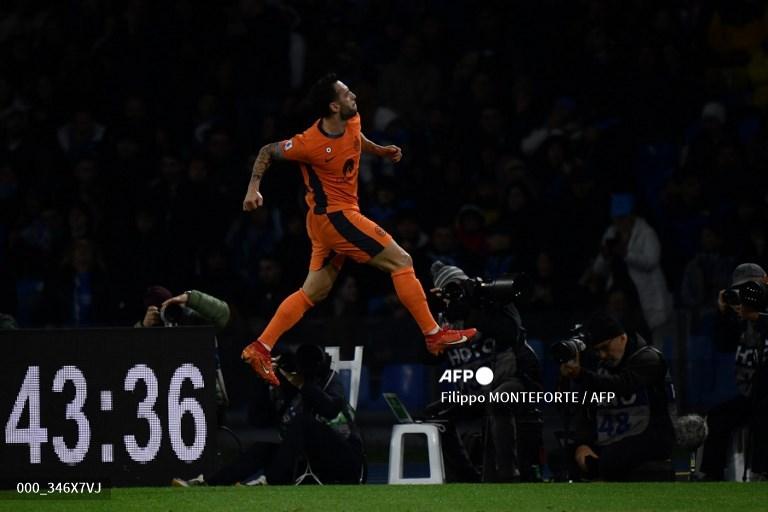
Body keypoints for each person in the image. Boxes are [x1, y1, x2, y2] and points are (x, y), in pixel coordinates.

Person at [240, 73, 476, 385]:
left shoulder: (351, 120)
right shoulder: (309, 143)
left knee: (313, 291)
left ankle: (260, 347)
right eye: (347, 94)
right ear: (333, 106)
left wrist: (381, 151)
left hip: (329, 220)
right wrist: (253, 189)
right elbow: (268, 151)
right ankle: (433, 335)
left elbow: (357, 139)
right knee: (401, 261)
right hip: (335, 217)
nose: (354, 96)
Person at [172, 343, 364, 486]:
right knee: (262, 448)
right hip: (313, 465)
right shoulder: (286, 396)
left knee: (303, 423)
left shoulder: (330, 380)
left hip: (348, 464)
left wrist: (302, 385)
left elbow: (330, 409)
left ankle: (272, 481)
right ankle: (210, 483)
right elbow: (256, 420)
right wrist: (263, 381)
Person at [427, 261, 543, 482]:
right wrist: (430, 321)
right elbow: (426, 359)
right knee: (435, 414)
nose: (456, 293)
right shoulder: (444, 318)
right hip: (471, 394)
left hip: (508, 381)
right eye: (449, 290)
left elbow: (510, 334)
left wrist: (473, 309)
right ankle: (464, 477)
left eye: (458, 286)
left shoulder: (493, 301)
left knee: (498, 400)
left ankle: (507, 475)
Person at [560, 313, 677, 481]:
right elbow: (586, 410)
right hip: (613, 440)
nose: (602, 355)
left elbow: (622, 385)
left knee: (610, 459)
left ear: (622, 338)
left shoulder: (649, 358)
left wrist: (581, 374)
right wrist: (582, 444)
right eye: (597, 350)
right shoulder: (601, 369)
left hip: (651, 437)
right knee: (564, 457)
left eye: (605, 347)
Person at [699, 263, 768, 480]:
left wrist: (757, 317)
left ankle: (761, 474)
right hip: (750, 395)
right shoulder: (739, 321)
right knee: (718, 416)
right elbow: (722, 344)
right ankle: (711, 477)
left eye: (750, 288)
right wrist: (722, 313)